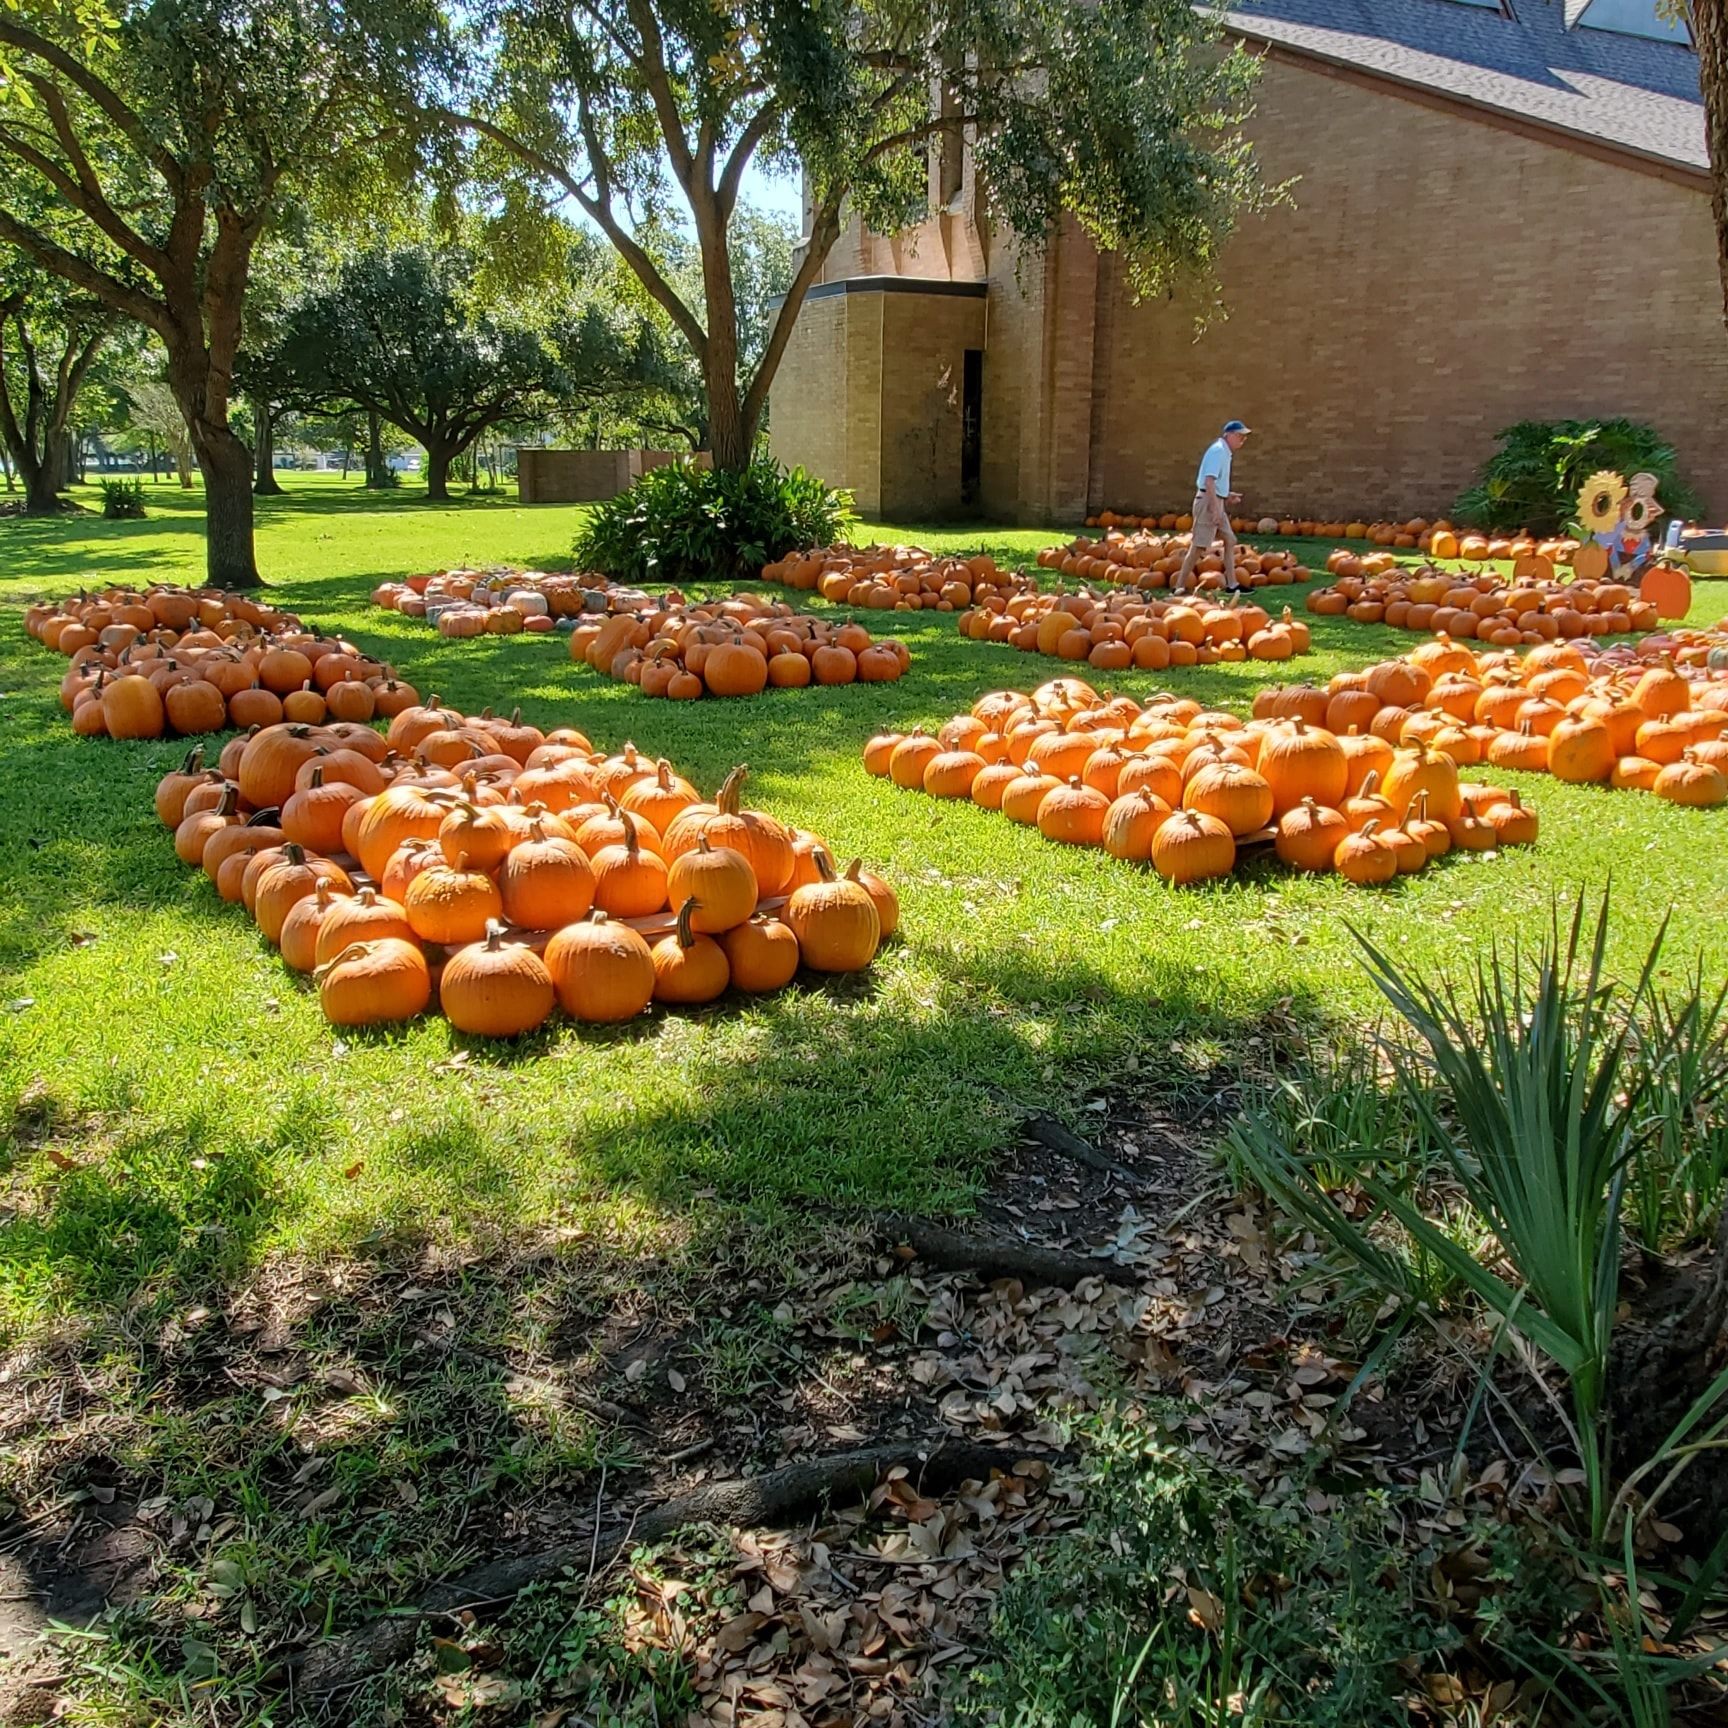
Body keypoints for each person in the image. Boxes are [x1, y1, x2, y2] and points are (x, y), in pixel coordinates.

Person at [1171, 420, 1251, 596]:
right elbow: (1208, 481)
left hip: (1216, 501)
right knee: (1199, 546)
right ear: (1228, 435)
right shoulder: (1218, 451)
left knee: (1230, 540)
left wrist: (1226, 495)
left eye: (1244, 437)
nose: (1242, 440)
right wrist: (1216, 509)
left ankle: (1232, 584)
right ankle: (1178, 586)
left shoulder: (1225, 452)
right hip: (1208, 502)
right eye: (1239, 436)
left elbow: (1214, 482)